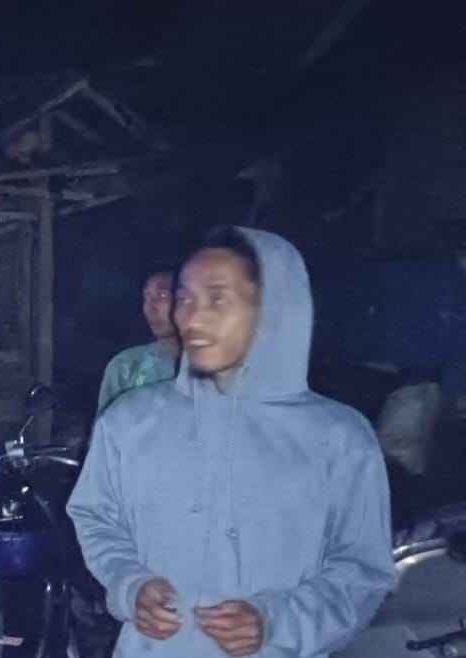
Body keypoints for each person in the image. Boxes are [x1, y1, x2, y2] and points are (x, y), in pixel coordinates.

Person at [67, 226, 397, 658]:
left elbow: (362, 570)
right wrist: (130, 584)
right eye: (184, 299)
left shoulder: (337, 436)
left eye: (217, 299)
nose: (191, 319)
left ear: (275, 308)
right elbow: (95, 517)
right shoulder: (131, 420)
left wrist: (279, 621)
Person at [97, 271, 180, 415]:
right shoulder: (126, 365)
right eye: (146, 297)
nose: (150, 307)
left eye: (162, 295)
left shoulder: (210, 367)